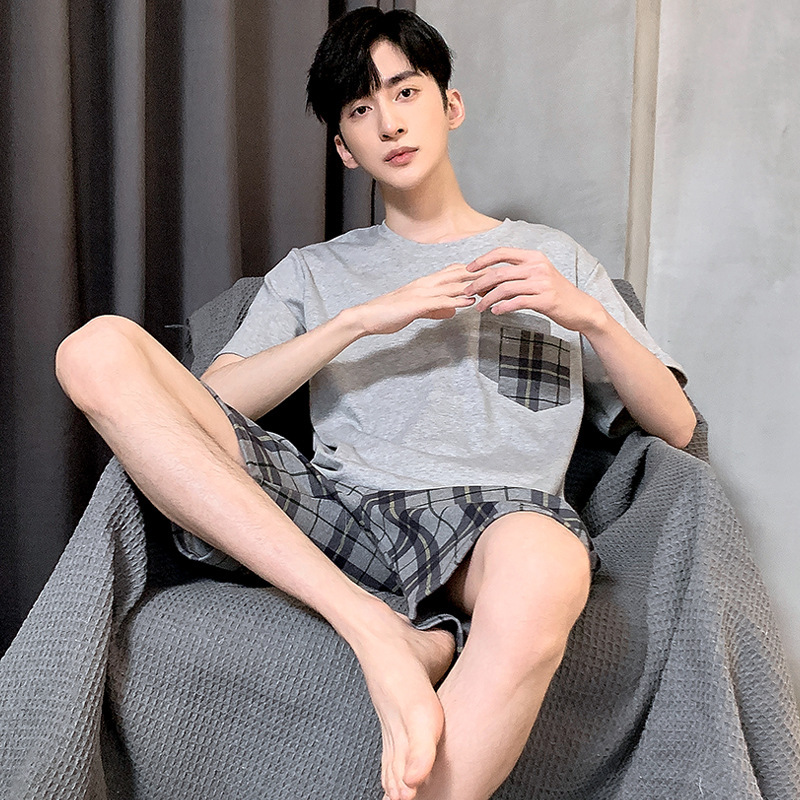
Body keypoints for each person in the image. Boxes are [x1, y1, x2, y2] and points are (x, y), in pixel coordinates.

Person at [55, 8, 696, 800]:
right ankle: (374, 627)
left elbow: (677, 426)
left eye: (405, 91)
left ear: (450, 105)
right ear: (343, 148)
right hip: (336, 507)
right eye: (360, 109)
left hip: (495, 517)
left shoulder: (550, 257)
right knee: (95, 348)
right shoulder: (312, 272)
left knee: (548, 564)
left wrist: (589, 316)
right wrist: (359, 320)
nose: (388, 121)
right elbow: (206, 406)